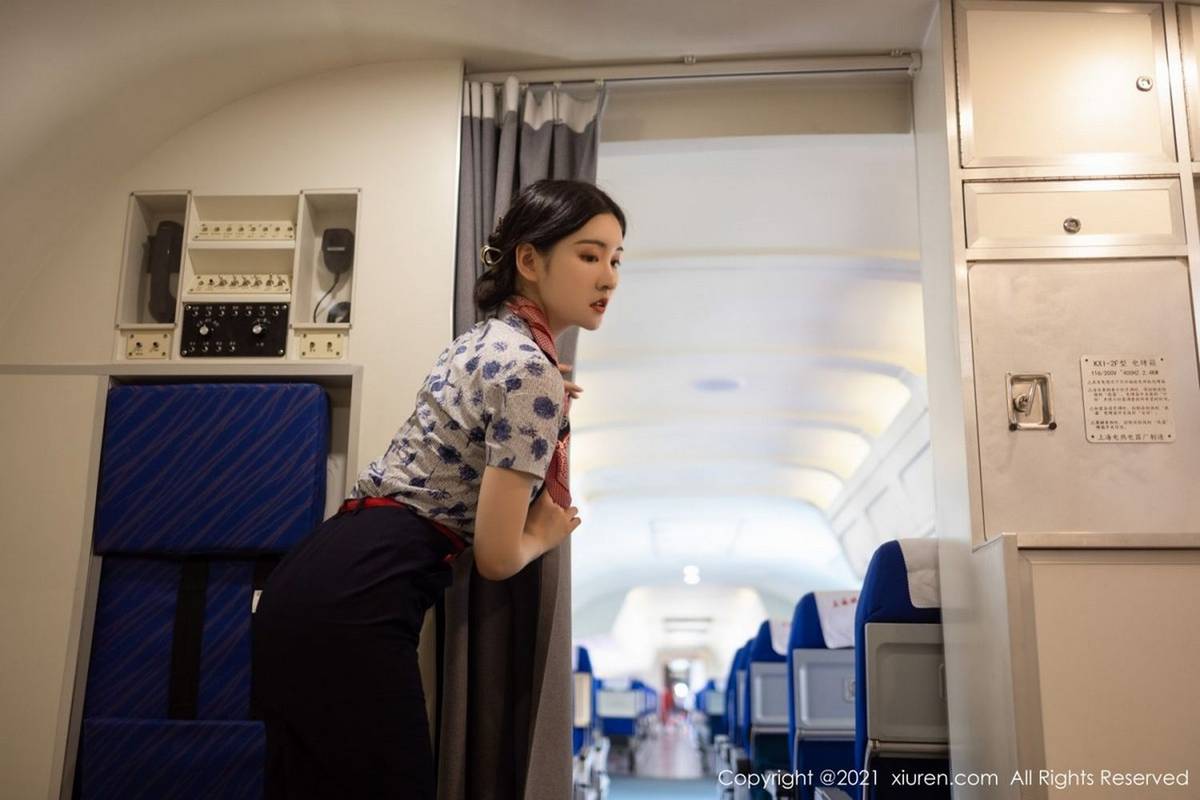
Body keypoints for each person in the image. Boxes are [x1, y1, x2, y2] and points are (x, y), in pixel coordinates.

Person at [251, 179, 626, 799]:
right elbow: (497, 557)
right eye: (589, 255)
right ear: (529, 261)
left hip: (310, 580)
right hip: (361, 600)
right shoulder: (529, 369)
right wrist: (543, 532)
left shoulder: (482, 342)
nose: (608, 277)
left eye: (615, 260)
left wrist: (542, 397)